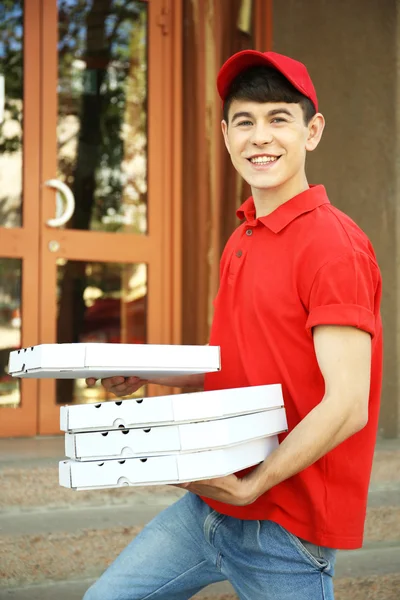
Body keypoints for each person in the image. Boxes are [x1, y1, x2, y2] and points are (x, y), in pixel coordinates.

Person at [83, 50, 382, 600]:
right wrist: (148, 372)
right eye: (245, 121)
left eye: (278, 119)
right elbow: (236, 365)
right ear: (225, 136)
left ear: (312, 132)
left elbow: (347, 404)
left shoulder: (334, 247)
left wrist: (255, 485)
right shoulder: (243, 237)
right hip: (209, 508)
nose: (259, 136)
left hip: (285, 528)